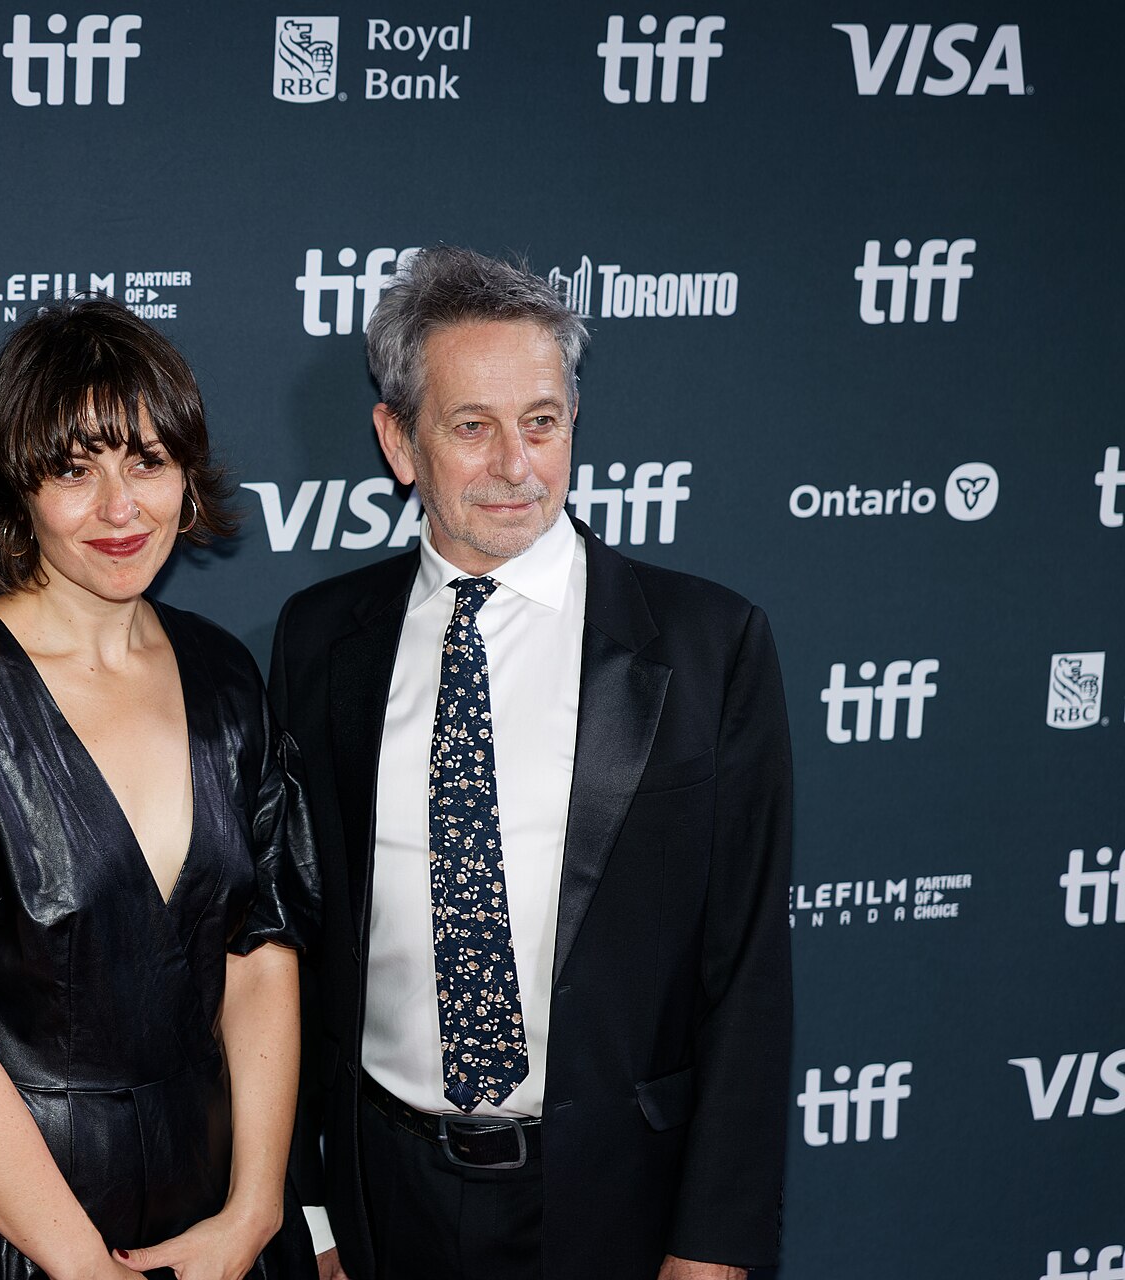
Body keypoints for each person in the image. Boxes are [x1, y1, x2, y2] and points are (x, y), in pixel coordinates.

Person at [271, 247, 793, 1280]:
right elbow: (285, 941)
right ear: (399, 441)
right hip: (381, 1200)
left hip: (616, 1201)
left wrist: (712, 1248)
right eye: (473, 426)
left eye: (543, 422)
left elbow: (747, 967)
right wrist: (314, 1215)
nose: (517, 464)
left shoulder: (709, 645)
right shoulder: (321, 639)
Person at [0, 299, 320, 1280]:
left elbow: (260, 955)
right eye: (73, 469)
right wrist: (83, 1265)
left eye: (147, 461)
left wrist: (255, 1208)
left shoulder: (227, 678)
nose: (120, 508)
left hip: (206, 1207)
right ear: (18, 488)